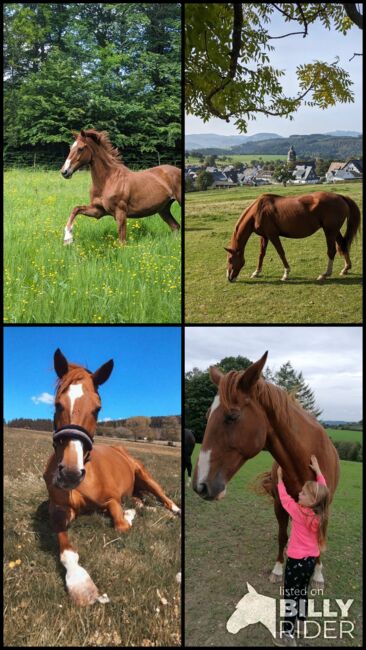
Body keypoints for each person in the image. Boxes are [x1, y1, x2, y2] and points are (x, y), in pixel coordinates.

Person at [273, 455, 330, 647]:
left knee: (290, 594)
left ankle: (288, 634)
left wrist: (280, 480)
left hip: (296, 561)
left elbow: (284, 498)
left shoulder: (298, 512)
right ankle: (302, 621)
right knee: (302, 591)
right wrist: (318, 472)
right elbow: (324, 491)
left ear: (312, 500)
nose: (299, 494)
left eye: (304, 494)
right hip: (310, 561)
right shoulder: (320, 512)